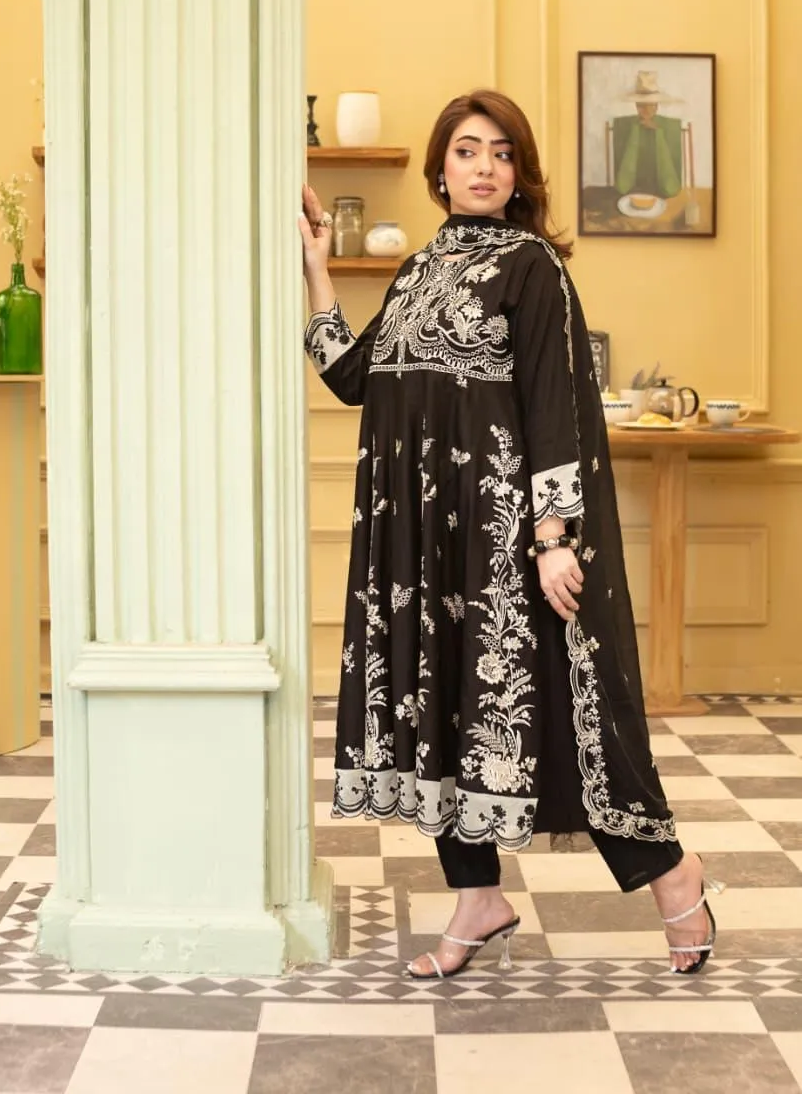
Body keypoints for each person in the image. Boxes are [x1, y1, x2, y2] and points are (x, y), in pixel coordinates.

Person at [301, 89, 722, 981]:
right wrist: (316, 271)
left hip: (501, 543)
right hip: (420, 546)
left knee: (561, 715)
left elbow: (553, 403)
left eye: (499, 152)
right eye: (466, 150)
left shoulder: (531, 269)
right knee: (443, 711)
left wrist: (553, 536)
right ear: (439, 170)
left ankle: (670, 874)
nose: (483, 166)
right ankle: (477, 898)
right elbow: (353, 378)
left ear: (519, 173)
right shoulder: (417, 270)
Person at [613, 70, 683, 199]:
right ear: (636, 106)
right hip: (632, 194)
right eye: (641, 106)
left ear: (656, 106)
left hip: (661, 194)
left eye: (651, 105)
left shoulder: (667, 127)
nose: (646, 110)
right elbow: (623, 185)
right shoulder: (628, 126)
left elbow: (670, 187)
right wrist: (635, 132)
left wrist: (658, 132)